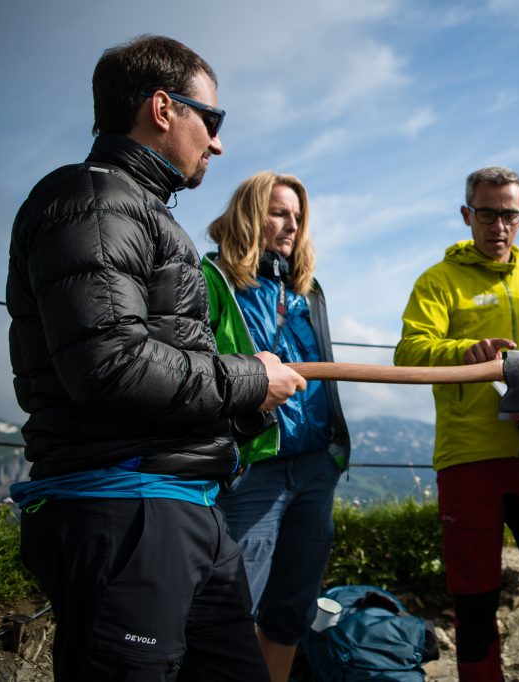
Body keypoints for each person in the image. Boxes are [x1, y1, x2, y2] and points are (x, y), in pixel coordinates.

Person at [6, 35, 305, 681]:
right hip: (124, 514)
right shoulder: (92, 199)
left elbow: (155, 361)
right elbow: (108, 364)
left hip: (182, 509)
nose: (218, 143)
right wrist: (251, 377)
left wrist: (249, 396)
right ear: (164, 108)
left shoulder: (134, 209)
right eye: (213, 120)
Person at [394, 166, 519, 681]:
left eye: (509, 214)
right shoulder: (438, 281)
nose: (498, 225)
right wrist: (468, 352)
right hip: (469, 459)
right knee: (476, 608)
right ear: (467, 215)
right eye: (487, 213)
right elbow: (408, 352)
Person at [202, 171, 351, 681]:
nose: (291, 225)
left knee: (291, 609)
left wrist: (332, 450)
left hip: (314, 467)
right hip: (254, 468)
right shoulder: (212, 279)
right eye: (278, 212)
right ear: (249, 213)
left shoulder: (309, 292)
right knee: (231, 607)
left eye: (297, 216)